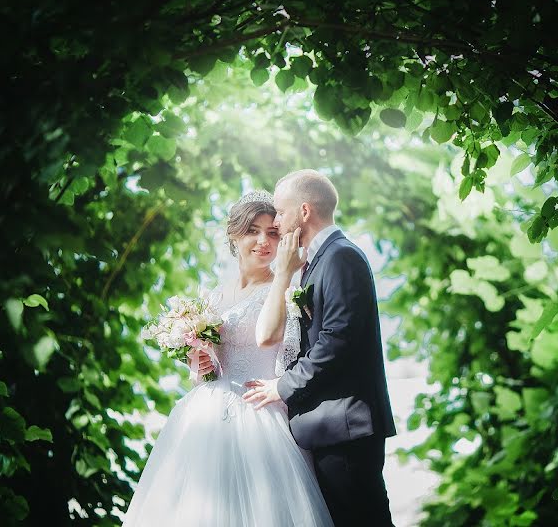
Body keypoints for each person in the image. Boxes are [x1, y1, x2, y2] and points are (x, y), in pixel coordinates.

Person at [121, 190, 334, 527]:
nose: (263, 241)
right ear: (234, 236)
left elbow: (274, 338)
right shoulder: (216, 294)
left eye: (273, 233)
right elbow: (210, 365)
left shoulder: (286, 287)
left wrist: (282, 278)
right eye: (253, 230)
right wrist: (199, 364)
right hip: (204, 415)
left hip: (261, 412)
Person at [243, 170, 397, 526]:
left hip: (345, 426)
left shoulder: (341, 256)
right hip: (329, 427)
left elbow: (337, 339)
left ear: (305, 211)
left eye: (281, 213)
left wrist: (281, 387)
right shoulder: (318, 260)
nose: (277, 222)